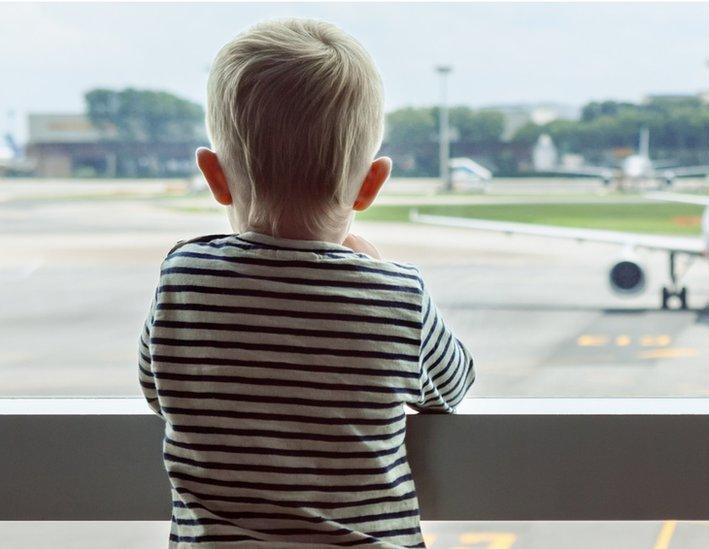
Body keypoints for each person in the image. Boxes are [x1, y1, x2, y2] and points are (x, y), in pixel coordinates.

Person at [137, 18, 475, 548]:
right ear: (371, 184)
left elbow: (158, 390)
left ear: (214, 176)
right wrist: (377, 268)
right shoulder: (396, 296)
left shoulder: (183, 278)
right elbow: (454, 387)